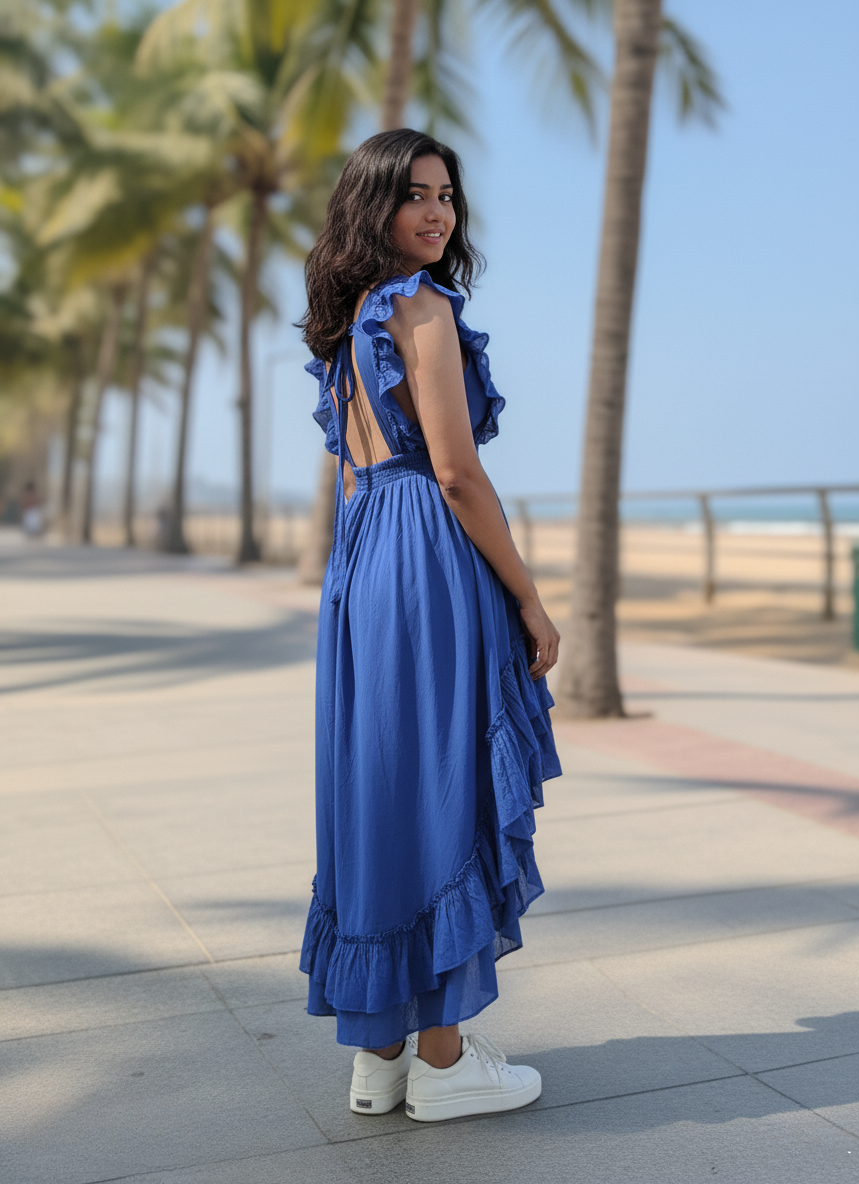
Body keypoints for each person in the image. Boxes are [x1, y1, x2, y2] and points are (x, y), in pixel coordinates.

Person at [299, 129, 561, 1123]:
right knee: (446, 784)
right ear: (375, 205)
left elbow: (353, 471)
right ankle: (444, 1062)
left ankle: (379, 1060)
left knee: (378, 792)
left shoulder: (350, 323)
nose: (437, 211)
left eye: (446, 194)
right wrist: (528, 594)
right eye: (415, 194)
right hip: (426, 555)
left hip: (363, 559)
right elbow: (455, 470)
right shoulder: (422, 308)